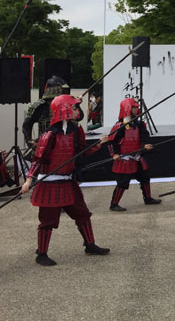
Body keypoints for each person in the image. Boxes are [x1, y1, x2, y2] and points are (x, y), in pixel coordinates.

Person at [20, 94, 110, 266]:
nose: (77, 111)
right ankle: (42, 254)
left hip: (68, 181)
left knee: (82, 214)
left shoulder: (76, 131)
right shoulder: (49, 135)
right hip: (49, 184)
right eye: (74, 108)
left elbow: (82, 152)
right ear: (64, 110)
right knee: (48, 221)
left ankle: (90, 245)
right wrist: (29, 180)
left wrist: (99, 144)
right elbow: (37, 160)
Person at [108, 98, 161, 212]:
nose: (137, 109)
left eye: (137, 107)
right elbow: (112, 141)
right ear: (127, 108)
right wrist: (114, 154)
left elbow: (144, 137)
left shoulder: (139, 124)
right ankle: (114, 204)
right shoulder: (120, 126)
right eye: (134, 107)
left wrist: (145, 145)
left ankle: (148, 198)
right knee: (122, 182)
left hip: (136, 156)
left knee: (145, 178)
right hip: (124, 158)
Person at [23, 76, 83, 149]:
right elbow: (27, 124)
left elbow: (79, 117)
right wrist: (29, 140)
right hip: (45, 146)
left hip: (66, 144)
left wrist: (77, 104)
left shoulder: (67, 104)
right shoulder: (40, 106)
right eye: (63, 90)